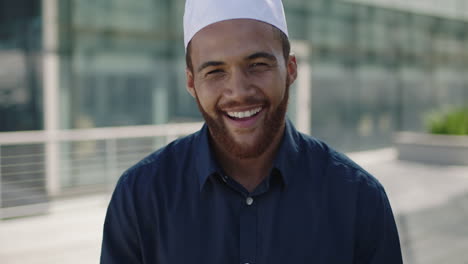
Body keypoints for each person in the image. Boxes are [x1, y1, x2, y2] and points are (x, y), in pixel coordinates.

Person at [100, 0, 403, 263]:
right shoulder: (140, 197)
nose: (239, 91)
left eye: (258, 64)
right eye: (215, 71)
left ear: (291, 69)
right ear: (191, 83)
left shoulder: (358, 198)